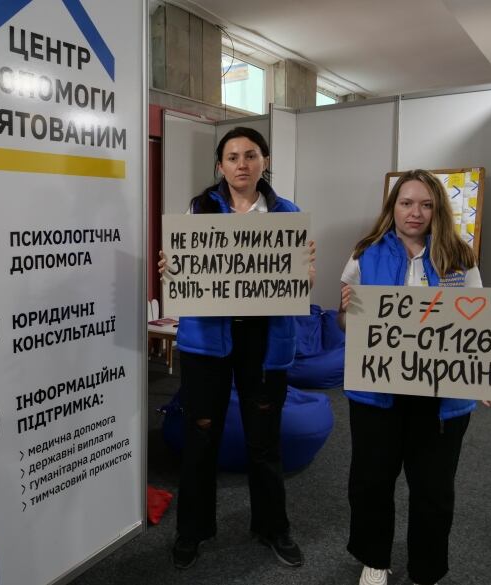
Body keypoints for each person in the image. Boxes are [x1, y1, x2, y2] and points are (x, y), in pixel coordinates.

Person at [337, 169, 491, 585]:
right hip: (377, 395)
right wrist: (348, 312)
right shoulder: (365, 253)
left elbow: (477, 325)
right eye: (407, 203)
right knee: (371, 483)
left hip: (442, 402)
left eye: (426, 204)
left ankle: (427, 571)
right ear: (392, 207)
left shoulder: (460, 258)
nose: (416, 213)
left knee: (433, 491)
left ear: (438, 210)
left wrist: (486, 377)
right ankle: (375, 558)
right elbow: (345, 324)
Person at [159, 126, 315, 570]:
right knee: (200, 435)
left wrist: (303, 276)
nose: (241, 164)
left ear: (264, 160)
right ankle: (192, 531)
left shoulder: (288, 214)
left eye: (250, 155)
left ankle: (272, 527)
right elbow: (182, 275)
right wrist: (173, 268)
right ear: (220, 165)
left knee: (265, 441)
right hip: (208, 340)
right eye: (232, 157)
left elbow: (297, 286)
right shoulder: (198, 209)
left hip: (265, 342)